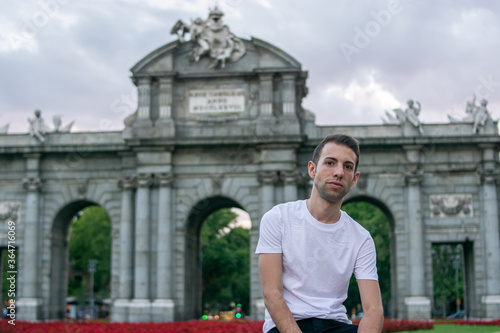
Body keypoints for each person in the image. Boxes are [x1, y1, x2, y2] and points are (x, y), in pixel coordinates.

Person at [256, 134, 384, 333]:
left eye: (348, 166)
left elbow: (373, 309)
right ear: (312, 169)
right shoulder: (277, 218)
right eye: (330, 163)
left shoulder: (362, 238)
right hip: (287, 327)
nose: (339, 172)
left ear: (354, 179)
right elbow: (272, 294)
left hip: (336, 326)